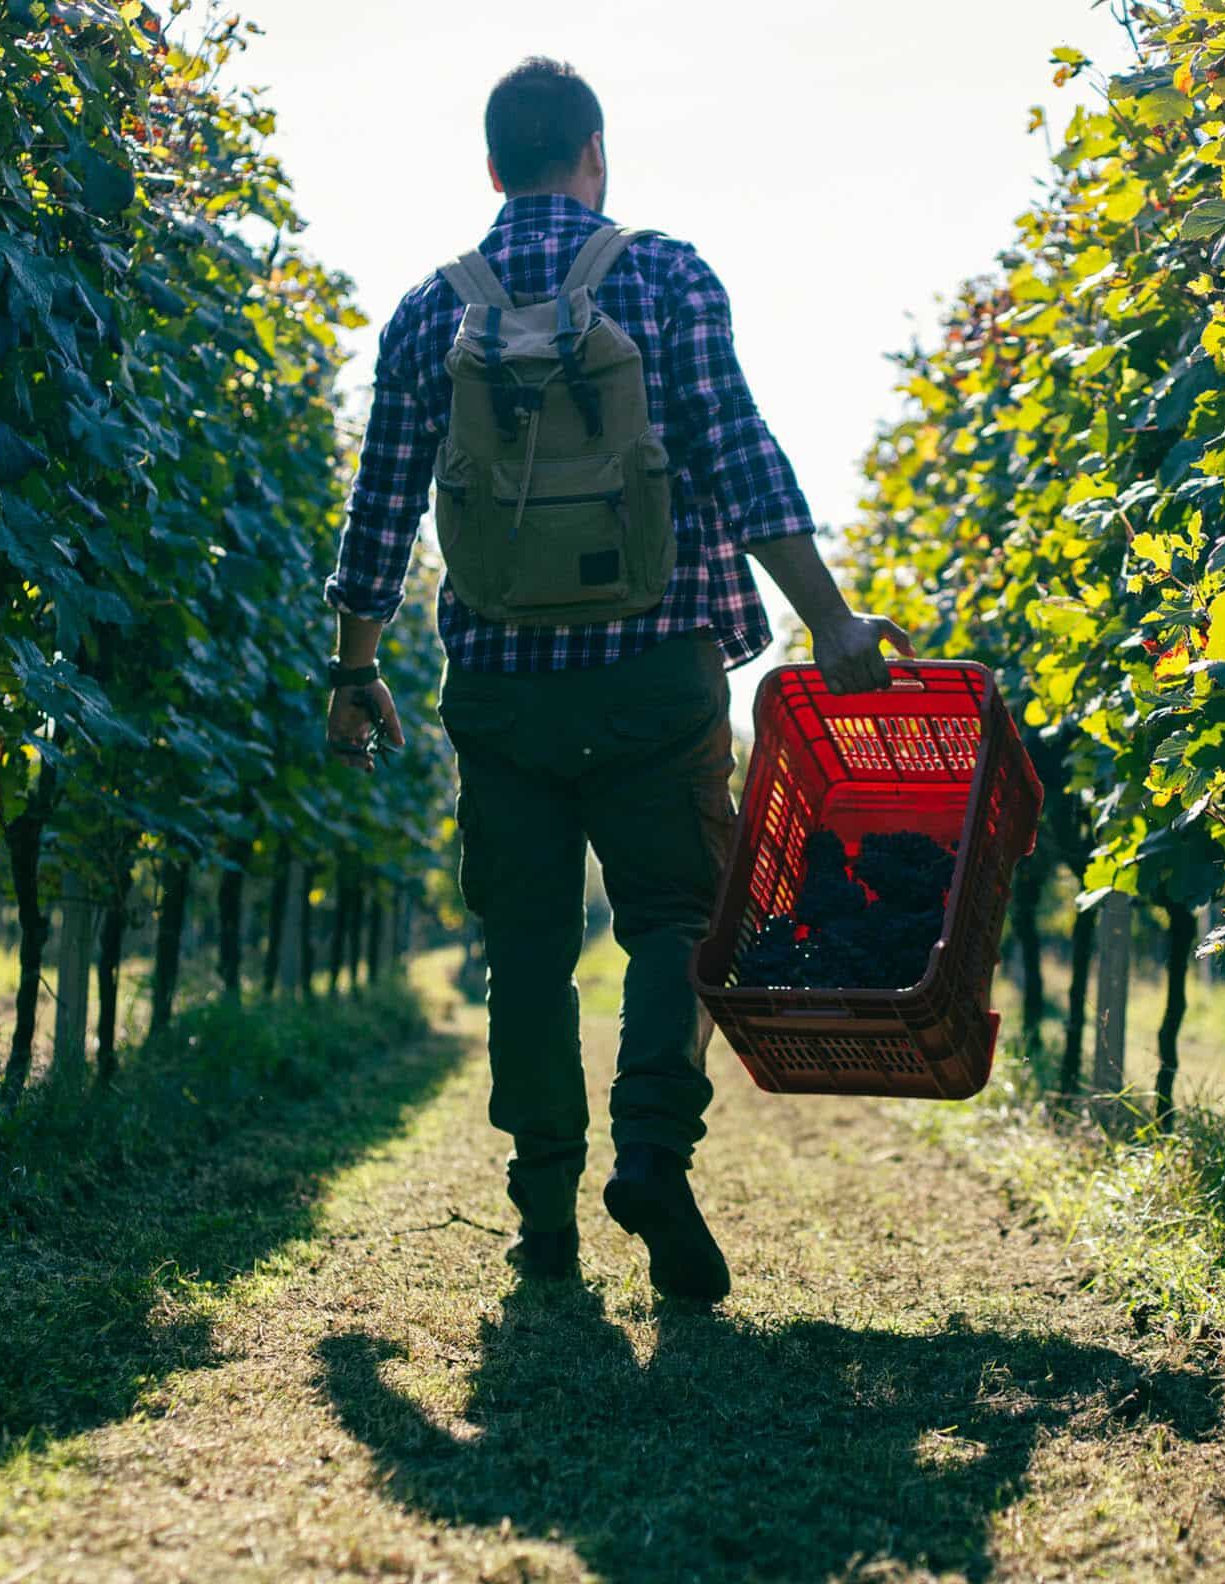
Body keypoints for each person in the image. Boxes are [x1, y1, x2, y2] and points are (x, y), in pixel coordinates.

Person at [323, 57, 910, 1305]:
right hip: (657, 664)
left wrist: (355, 671)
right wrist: (832, 622)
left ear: (493, 168)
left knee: (526, 948)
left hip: (499, 683)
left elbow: (382, 506)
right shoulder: (661, 273)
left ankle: (543, 1220)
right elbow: (738, 452)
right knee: (672, 918)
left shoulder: (434, 310)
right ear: (594, 152)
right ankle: (652, 1147)